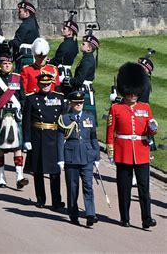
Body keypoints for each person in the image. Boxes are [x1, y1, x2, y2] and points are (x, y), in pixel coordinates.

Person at [106, 62, 158, 229]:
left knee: (144, 188)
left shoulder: (145, 107)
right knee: (124, 188)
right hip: (123, 151)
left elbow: (150, 130)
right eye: (131, 92)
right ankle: (125, 217)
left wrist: (153, 129)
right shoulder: (116, 109)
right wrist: (110, 150)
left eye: (136, 92)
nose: (133, 95)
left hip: (141, 151)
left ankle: (146, 218)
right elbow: (110, 131)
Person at [0, 54, 28, 189]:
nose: (7, 66)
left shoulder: (17, 78)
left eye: (9, 64)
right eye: (4, 64)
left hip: (15, 117)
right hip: (0, 117)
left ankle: (19, 177)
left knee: (17, 147)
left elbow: (22, 98)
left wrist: (22, 112)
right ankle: (1, 177)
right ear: (0, 65)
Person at [23, 73, 65, 209]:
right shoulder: (32, 99)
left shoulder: (59, 98)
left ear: (51, 83)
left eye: (47, 84)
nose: (45, 86)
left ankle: (56, 200)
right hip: (38, 137)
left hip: (53, 137)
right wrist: (27, 139)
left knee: (55, 172)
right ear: (39, 84)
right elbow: (26, 121)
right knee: (38, 171)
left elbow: (64, 120)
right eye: (43, 84)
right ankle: (40, 198)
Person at [57, 91, 99, 226]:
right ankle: (73, 213)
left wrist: (96, 156)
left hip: (87, 157)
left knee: (88, 186)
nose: (78, 105)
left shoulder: (89, 117)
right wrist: (61, 159)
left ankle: (90, 214)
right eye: (76, 103)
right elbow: (59, 140)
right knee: (72, 187)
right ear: (71, 104)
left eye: (80, 103)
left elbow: (93, 138)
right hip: (71, 156)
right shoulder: (64, 119)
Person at [62, 32, 100, 123]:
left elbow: (79, 81)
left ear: (89, 48)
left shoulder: (87, 60)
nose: (81, 45)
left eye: (84, 44)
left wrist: (66, 80)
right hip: (85, 89)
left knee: (83, 121)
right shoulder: (87, 58)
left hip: (83, 90)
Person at [8, 0, 40, 72]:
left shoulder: (25, 25)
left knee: (20, 80)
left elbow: (17, 42)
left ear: (27, 13)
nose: (18, 14)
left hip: (24, 58)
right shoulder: (32, 24)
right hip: (30, 57)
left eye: (20, 12)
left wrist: (7, 42)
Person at [51, 13, 79, 92]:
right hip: (68, 73)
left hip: (60, 74)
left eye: (64, 29)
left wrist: (48, 62)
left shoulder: (65, 44)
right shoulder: (74, 44)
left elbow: (57, 60)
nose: (61, 30)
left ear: (70, 32)